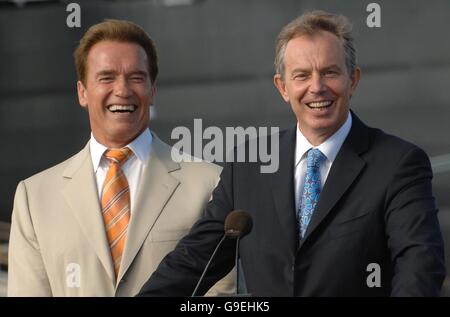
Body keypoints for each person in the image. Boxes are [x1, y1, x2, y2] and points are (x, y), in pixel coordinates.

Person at [137, 11, 446, 296]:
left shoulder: (398, 164)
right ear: (282, 87)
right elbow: (193, 260)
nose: (317, 87)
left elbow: (420, 265)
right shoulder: (248, 166)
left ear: (353, 80)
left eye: (330, 72)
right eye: (301, 76)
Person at [8, 19, 234, 296]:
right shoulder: (34, 198)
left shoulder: (211, 184)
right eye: (106, 77)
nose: (122, 90)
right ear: (82, 92)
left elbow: (222, 294)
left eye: (136, 77)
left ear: (153, 90)